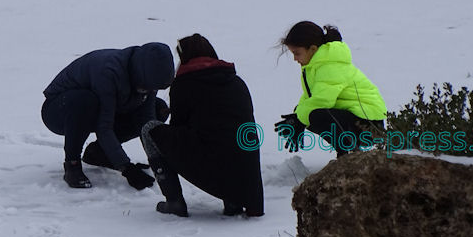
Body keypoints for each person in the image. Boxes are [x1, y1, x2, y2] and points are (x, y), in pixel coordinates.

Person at [139, 34, 264, 218]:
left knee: (149, 129)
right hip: (246, 171)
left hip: (211, 163)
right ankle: (233, 200)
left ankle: (174, 201)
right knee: (227, 138)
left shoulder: (184, 83)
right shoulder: (236, 81)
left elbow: (178, 129)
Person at [41, 42, 174, 189]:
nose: (149, 90)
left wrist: (157, 161)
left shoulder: (148, 75)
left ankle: (98, 153)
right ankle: (72, 165)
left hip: (102, 107)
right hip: (59, 110)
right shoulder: (108, 71)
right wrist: (126, 168)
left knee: (158, 109)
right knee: (86, 101)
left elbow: (146, 121)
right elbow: (104, 126)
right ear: (140, 73)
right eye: (148, 87)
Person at [275, 21, 386, 156]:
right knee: (306, 113)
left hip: (370, 124)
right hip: (358, 118)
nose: (294, 59)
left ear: (313, 49)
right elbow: (310, 97)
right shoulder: (315, 65)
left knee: (315, 115)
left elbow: (322, 101)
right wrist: (297, 115)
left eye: (297, 53)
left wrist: (300, 120)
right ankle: (347, 151)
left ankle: (348, 152)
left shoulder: (329, 66)